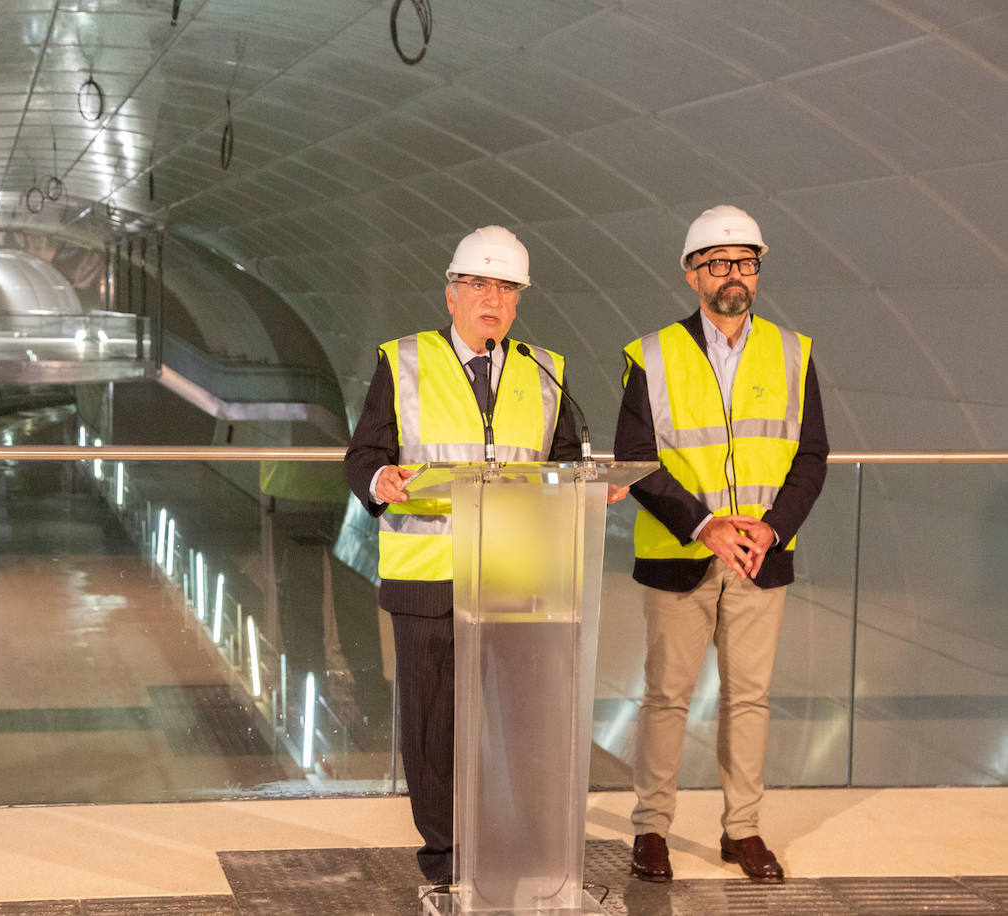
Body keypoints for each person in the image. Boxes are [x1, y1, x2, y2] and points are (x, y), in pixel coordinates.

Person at [343, 225, 587, 886]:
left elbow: (566, 462)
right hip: (427, 581)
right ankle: (446, 858)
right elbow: (363, 453)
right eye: (478, 284)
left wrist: (593, 485)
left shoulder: (545, 370)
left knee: (518, 728)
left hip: (511, 579)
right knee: (432, 729)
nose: (492, 299)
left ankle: (515, 850)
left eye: (506, 287)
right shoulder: (405, 362)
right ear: (450, 296)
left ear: (517, 302)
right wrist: (379, 480)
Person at [614, 205, 828, 884]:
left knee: (749, 698)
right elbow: (636, 458)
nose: (734, 275)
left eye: (746, 262)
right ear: (691, 274)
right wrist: (707, 526)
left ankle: (744, 831)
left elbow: (812, 455)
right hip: (682, 555)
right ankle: (652, 829)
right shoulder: (650, 354)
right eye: (719, 263)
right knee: (667, 698)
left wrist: (772, 527)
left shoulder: (794, 353)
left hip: (761, 557)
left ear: (757, 273)